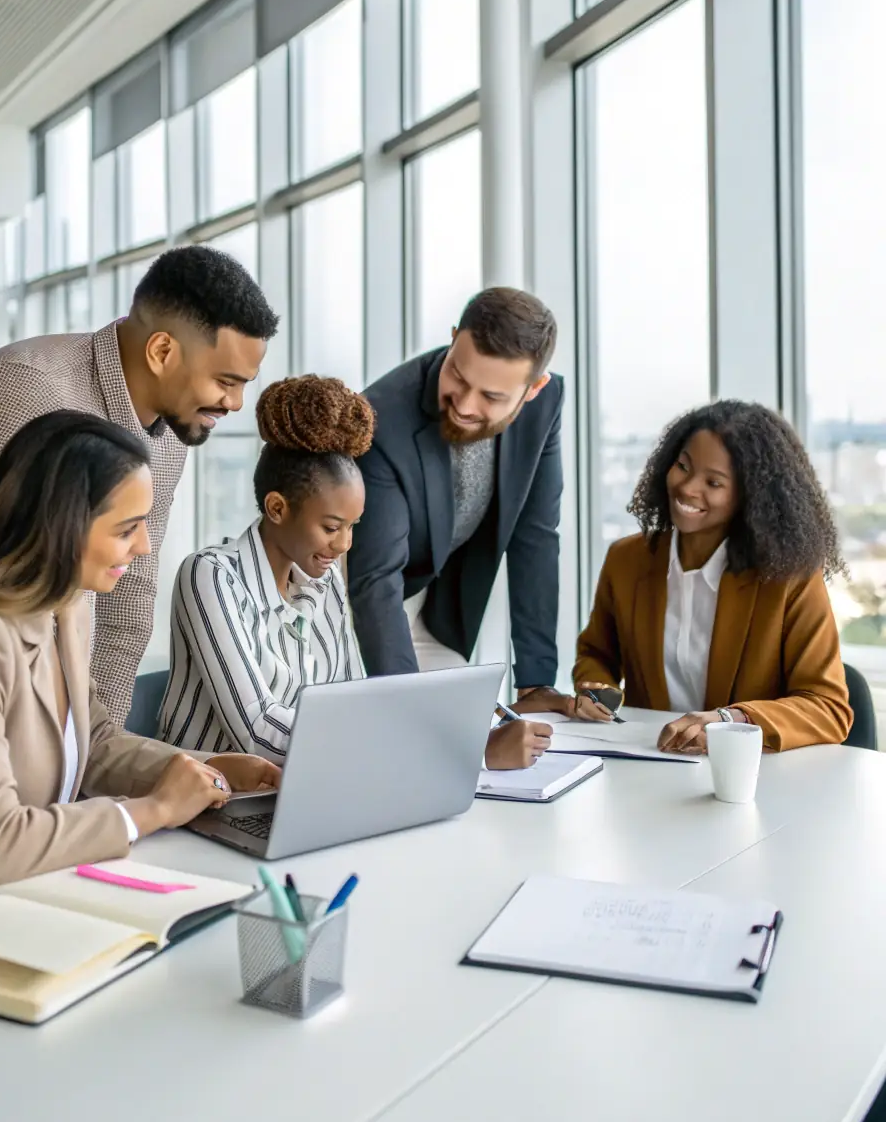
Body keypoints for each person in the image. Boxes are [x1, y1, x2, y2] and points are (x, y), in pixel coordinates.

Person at [0, 411, 279, 925]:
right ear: (64, 528)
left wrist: (201, 768)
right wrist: (155, 811)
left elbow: (94, 741)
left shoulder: (67, 608)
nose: (145, 545)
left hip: (4, 909)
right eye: (127, 527)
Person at [0, 245, 279, 725]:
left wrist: (97, 751)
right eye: (226, 380)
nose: (236, 402)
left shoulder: (171, 429)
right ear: (162, 351)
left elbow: (129, 597)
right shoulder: (25, 391)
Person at [158, 375, 550, 770]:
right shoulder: (210, 576)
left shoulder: (324, 581)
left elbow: (353, 706)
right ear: (277, 508)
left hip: (303, 791)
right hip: (211, 805)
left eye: (353, 526)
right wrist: (464, 752)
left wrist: (458, 730)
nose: (345, 545)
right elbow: (260, 733)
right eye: (331, 527)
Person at [563, 400, 851, 753]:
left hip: (751, 778)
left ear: (750, 496)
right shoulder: (627, 560)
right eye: (683, 466)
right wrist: (596, 690)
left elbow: (828, 708)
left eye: (713, 482)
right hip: (647, 764)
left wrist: (730, 721)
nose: (687, 488)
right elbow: (597, 653)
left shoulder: (787, 578)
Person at [347, 287, 568, 710]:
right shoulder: (381, 419)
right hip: (353, 609)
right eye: (459, 377)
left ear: (534, 388)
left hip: (430, 604)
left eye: (491, 397)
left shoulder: (547, 404)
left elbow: (536, 534)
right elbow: (375, 581)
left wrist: (537, 682)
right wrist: (404, 706)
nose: (465, 405)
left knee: (473, 719)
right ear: (453, 339)